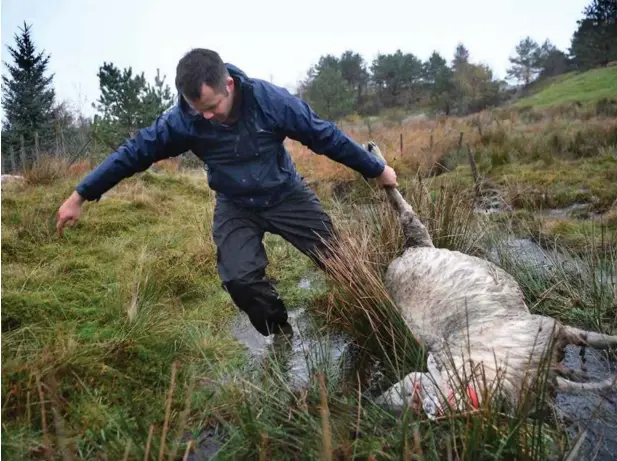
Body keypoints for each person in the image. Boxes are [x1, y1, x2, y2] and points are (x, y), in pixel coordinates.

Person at [56, 48, 397, 338]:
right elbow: (132, 154)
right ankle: (280, 334)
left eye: (212, 106)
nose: (206, 116)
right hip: (235, 205)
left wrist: (376, 169)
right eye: (196, 109)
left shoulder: (271, 101)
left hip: (285, 193)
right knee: (239, 280)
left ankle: (386, 320)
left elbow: (325, 136)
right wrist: (81, 194)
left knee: (342, 263)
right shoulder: (183, 120)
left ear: (229, 85)